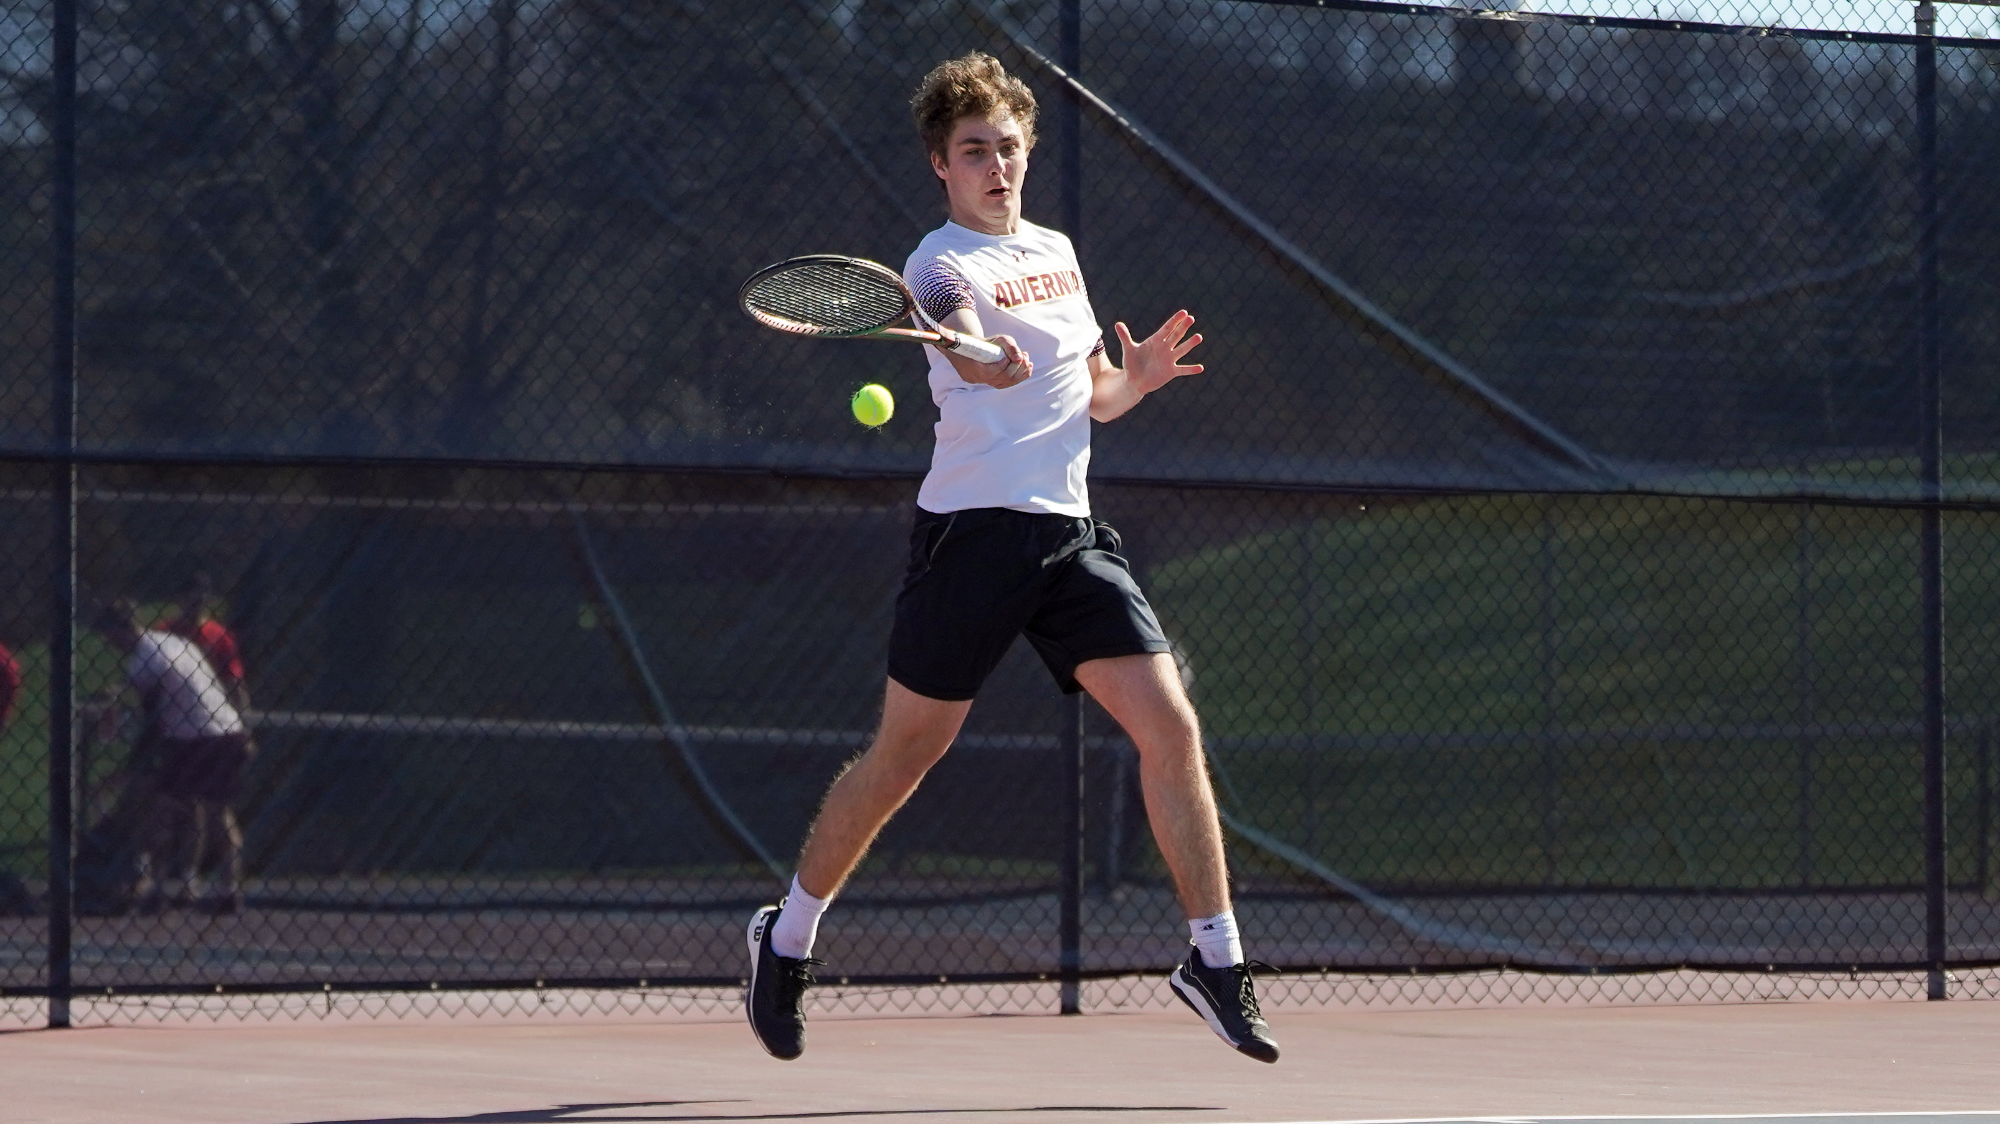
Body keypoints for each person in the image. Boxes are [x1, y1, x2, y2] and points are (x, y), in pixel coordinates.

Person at [744, 52, 1276, 1064]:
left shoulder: (1059, 251)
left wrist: (1138, 378)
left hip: (1068, 536)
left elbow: (1091, 395)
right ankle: (788, 934)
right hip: (970, 538)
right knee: (904, 757)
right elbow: (955, 339)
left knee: (1169, 721)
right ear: (940, 166)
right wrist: (978, 351)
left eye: (1009, 148)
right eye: (975, 151)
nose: (997, 167)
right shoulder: (937, 261)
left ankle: (1214, 961)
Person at [94, 597, 251, 914]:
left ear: (119, 631)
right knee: (215, 812)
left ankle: (159, 884)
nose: (111, 645)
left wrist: (133, 768)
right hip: (225, 729)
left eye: (109, 637)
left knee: (162, 808)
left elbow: (151, 723)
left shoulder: (144, 660)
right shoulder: (173, 642)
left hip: (194, 737)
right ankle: (224, 888)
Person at [158, 572, 250, 712]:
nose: (194, 605)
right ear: (179, 598)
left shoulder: (220, 636)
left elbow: (233, 681)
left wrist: (244, 718)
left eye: (199, 600)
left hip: (209, 708)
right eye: (189, 599)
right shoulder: (163, 633)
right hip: (172, 707)